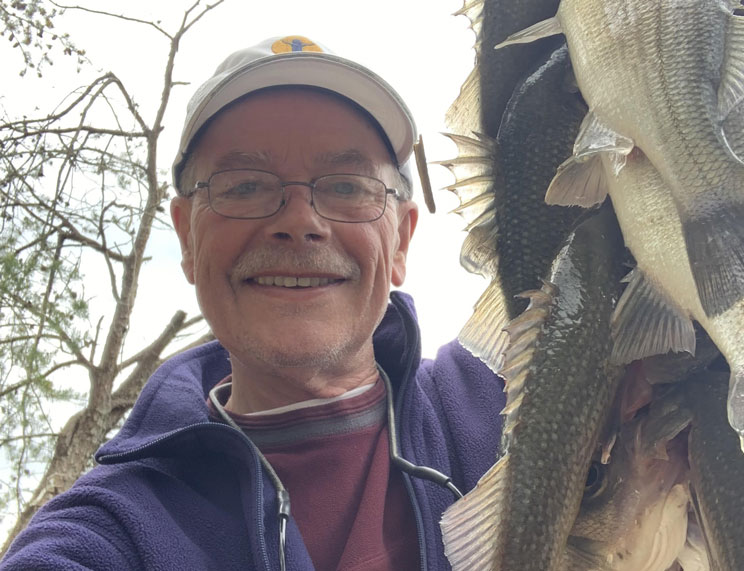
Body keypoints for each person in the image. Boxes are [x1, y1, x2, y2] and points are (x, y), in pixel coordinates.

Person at [1, 35, 504, 570]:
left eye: (347, 187)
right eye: (244, 187)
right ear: (187, 238)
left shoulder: (513, 406)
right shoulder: (107, 535)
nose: (299, 222)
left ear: (401, 240)